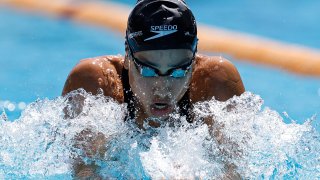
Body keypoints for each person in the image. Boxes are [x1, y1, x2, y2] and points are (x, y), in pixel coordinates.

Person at [62, 0, 245, 178]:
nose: (162, 88)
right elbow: (86, 170)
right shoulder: (97, 82)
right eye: (148, 70)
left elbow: (234, 171)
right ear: (128, 55)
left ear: (193, 60)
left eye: (178, 71)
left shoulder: (215, 81)